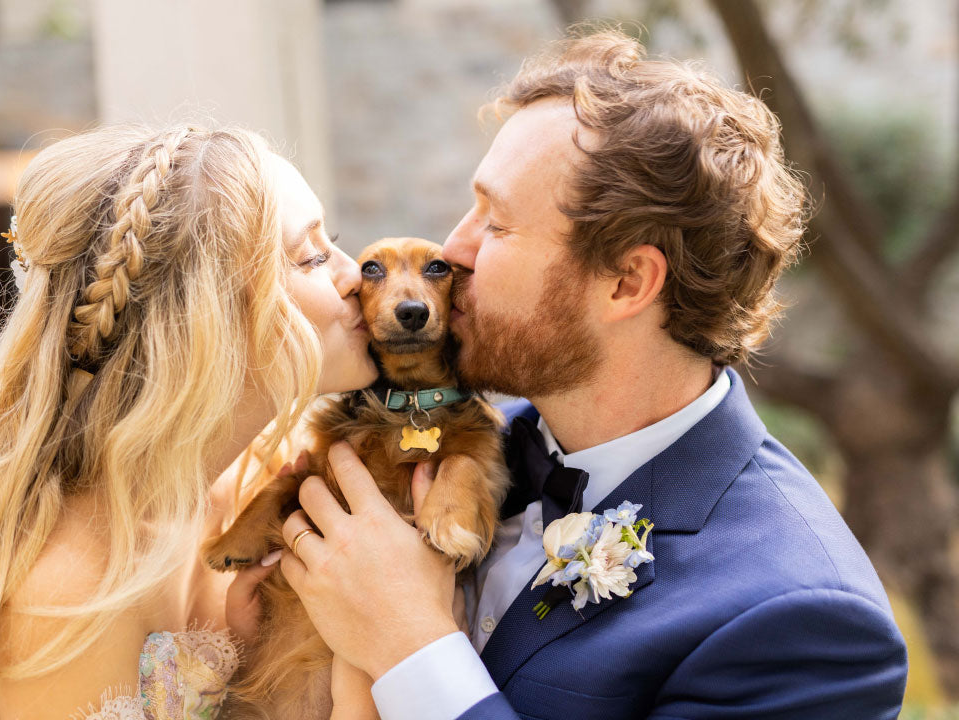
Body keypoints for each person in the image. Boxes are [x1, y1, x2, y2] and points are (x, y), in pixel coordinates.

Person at [276, 29, 909, 719]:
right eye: (470, 208)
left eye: (496, 224)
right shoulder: (446, 437)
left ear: (626, 281)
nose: (454, 251)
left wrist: (413, 647)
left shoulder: (798, 620)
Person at [0, 124, 382, 719]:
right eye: (312, 257)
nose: (357, 274)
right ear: (207, 319)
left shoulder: (269, 474)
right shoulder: (69, 591)